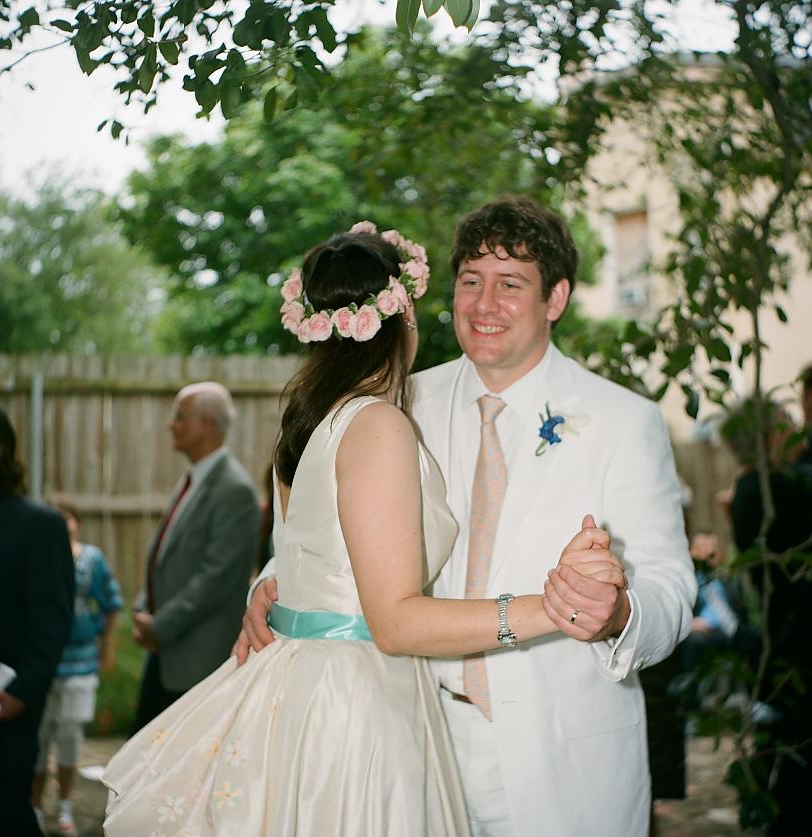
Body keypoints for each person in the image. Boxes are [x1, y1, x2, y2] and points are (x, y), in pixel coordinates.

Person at [102, 222, 627, 835]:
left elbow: (312, 557)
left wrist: (267, 589)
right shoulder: (377, 425)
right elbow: (395, 620)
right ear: (402, 313)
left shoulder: (309, 421)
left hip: (303, 684)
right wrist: (554, 607)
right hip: (355, 702)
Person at [239, 199, 696, 837]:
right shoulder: (397, 403)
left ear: (556, 298)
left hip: (563, 766)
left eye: (511, 285)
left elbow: (671, 586)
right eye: (471, 282)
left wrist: (618, 614)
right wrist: (272, 581)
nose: (484, 305)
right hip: (411, 740)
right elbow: (333, 535)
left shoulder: (625, 421)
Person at [0, 402, 74, 837]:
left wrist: (23, 693)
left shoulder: (37, 525)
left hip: (1, 709)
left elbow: (52, 621)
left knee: (7, 816)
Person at [131, 381, 261, 731]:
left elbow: (216, 577)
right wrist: (144, 609)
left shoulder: (234, 490)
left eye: (180, 416)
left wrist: (160, 625)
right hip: (168, 652)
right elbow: (167, 556)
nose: (171, 424)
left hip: (197, 662)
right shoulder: (195, 478)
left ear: (206, 423)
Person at [721, 397, 812, 835]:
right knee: (790, 749)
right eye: (786, 423)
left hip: (781, 631)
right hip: (790, 636)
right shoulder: (769, 487)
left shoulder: (755, 485)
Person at [31, 501, 123, 836]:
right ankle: (36, 805)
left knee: (69, 738)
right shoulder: (36, 557)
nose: (62, 523)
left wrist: (106, 647)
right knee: (38, 740)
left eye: (68, 517)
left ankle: (66, 805)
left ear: (77, 522)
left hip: (81, 660)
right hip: (42, 662)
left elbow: (112, 602)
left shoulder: (92, 559)